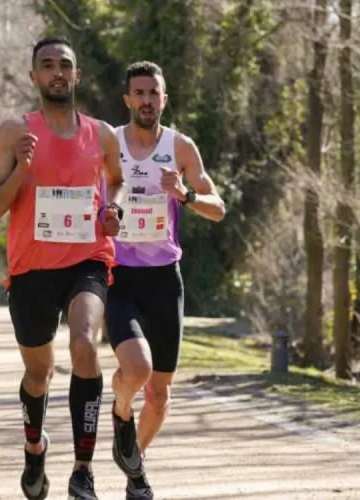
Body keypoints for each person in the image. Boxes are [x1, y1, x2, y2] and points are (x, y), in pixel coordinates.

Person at [0, 36, 126, 500]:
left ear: (77, 75)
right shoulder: (13, 133)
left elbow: (117, 182)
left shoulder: (101, 134)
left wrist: (114, 211)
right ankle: (35, 447)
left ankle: (83, 468)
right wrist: (22, 170)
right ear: (34, 77)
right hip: (30, 271)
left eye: (65, 64)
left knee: (85, 344)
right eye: (47, 65)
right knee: (38, 372)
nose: (57, 72)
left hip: (87, 261)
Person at [105, 61, 226, 500]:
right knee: (136, 369)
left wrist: (186, 195)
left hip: (163, 280)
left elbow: (218, 207)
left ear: (164, 99)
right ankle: (120, 411)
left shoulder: (180, 147)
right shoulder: (109, 143)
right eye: (138, 93)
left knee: (159, 394)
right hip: (119, 276)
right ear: (127, 100)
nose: (146, 100)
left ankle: (133, 465)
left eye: (154, 93)